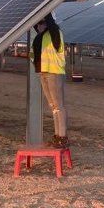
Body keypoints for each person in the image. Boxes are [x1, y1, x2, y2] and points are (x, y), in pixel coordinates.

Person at [30, 13, 69, 148]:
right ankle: (57, 136)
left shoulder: (54, 33)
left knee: (59, 106)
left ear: (46, 23)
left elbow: (50, 23)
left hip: (54, 73)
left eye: (41, 23)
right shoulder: (40, 36)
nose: (39, 26)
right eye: (38, 24)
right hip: (43, 73)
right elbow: (35, 25)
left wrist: (46, 11)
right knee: (53, 107)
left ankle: (62, 137)